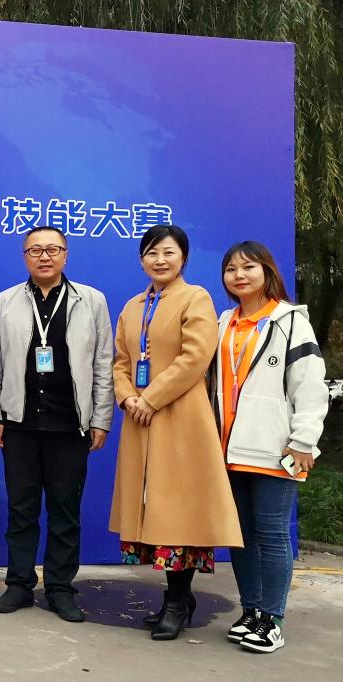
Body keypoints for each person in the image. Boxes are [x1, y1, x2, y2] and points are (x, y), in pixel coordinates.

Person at [109, 224, 242, 641]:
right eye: (151, 253)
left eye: (168, 252)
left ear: (183, 257)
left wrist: (151, 399)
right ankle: (178, 599)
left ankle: (177, 601)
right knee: (151, 509)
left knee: (179, 511)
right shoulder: (133, 306)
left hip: (181, 418)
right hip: (140, 422)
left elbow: (195, 357)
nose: (160, 260)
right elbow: (120, 361)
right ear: (141, 260)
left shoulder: (195, 297)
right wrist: (128, 397)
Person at [0, 226, 114, 622]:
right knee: (20, 510)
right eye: (35, 250)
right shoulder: (7, 300)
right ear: (25, 257)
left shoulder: (91, 300)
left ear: (65, 255)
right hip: (19, 424)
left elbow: (103, 363)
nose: (44, 256)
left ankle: (59, 589)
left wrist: (101, 418)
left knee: (65, 511)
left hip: (71, 426)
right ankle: (19, 585)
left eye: (53, 249)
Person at [212, 241, 328, 653]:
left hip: (274, 448)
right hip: (228, 451)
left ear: (267, 271)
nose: (239, 275)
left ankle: (272, 620)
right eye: (231, 269)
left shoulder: (290, 322)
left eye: (248, 267)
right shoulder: (224, 323)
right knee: (240, 536)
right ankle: (251, 613)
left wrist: (303, 441)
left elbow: (310, 387)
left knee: (273, 534)